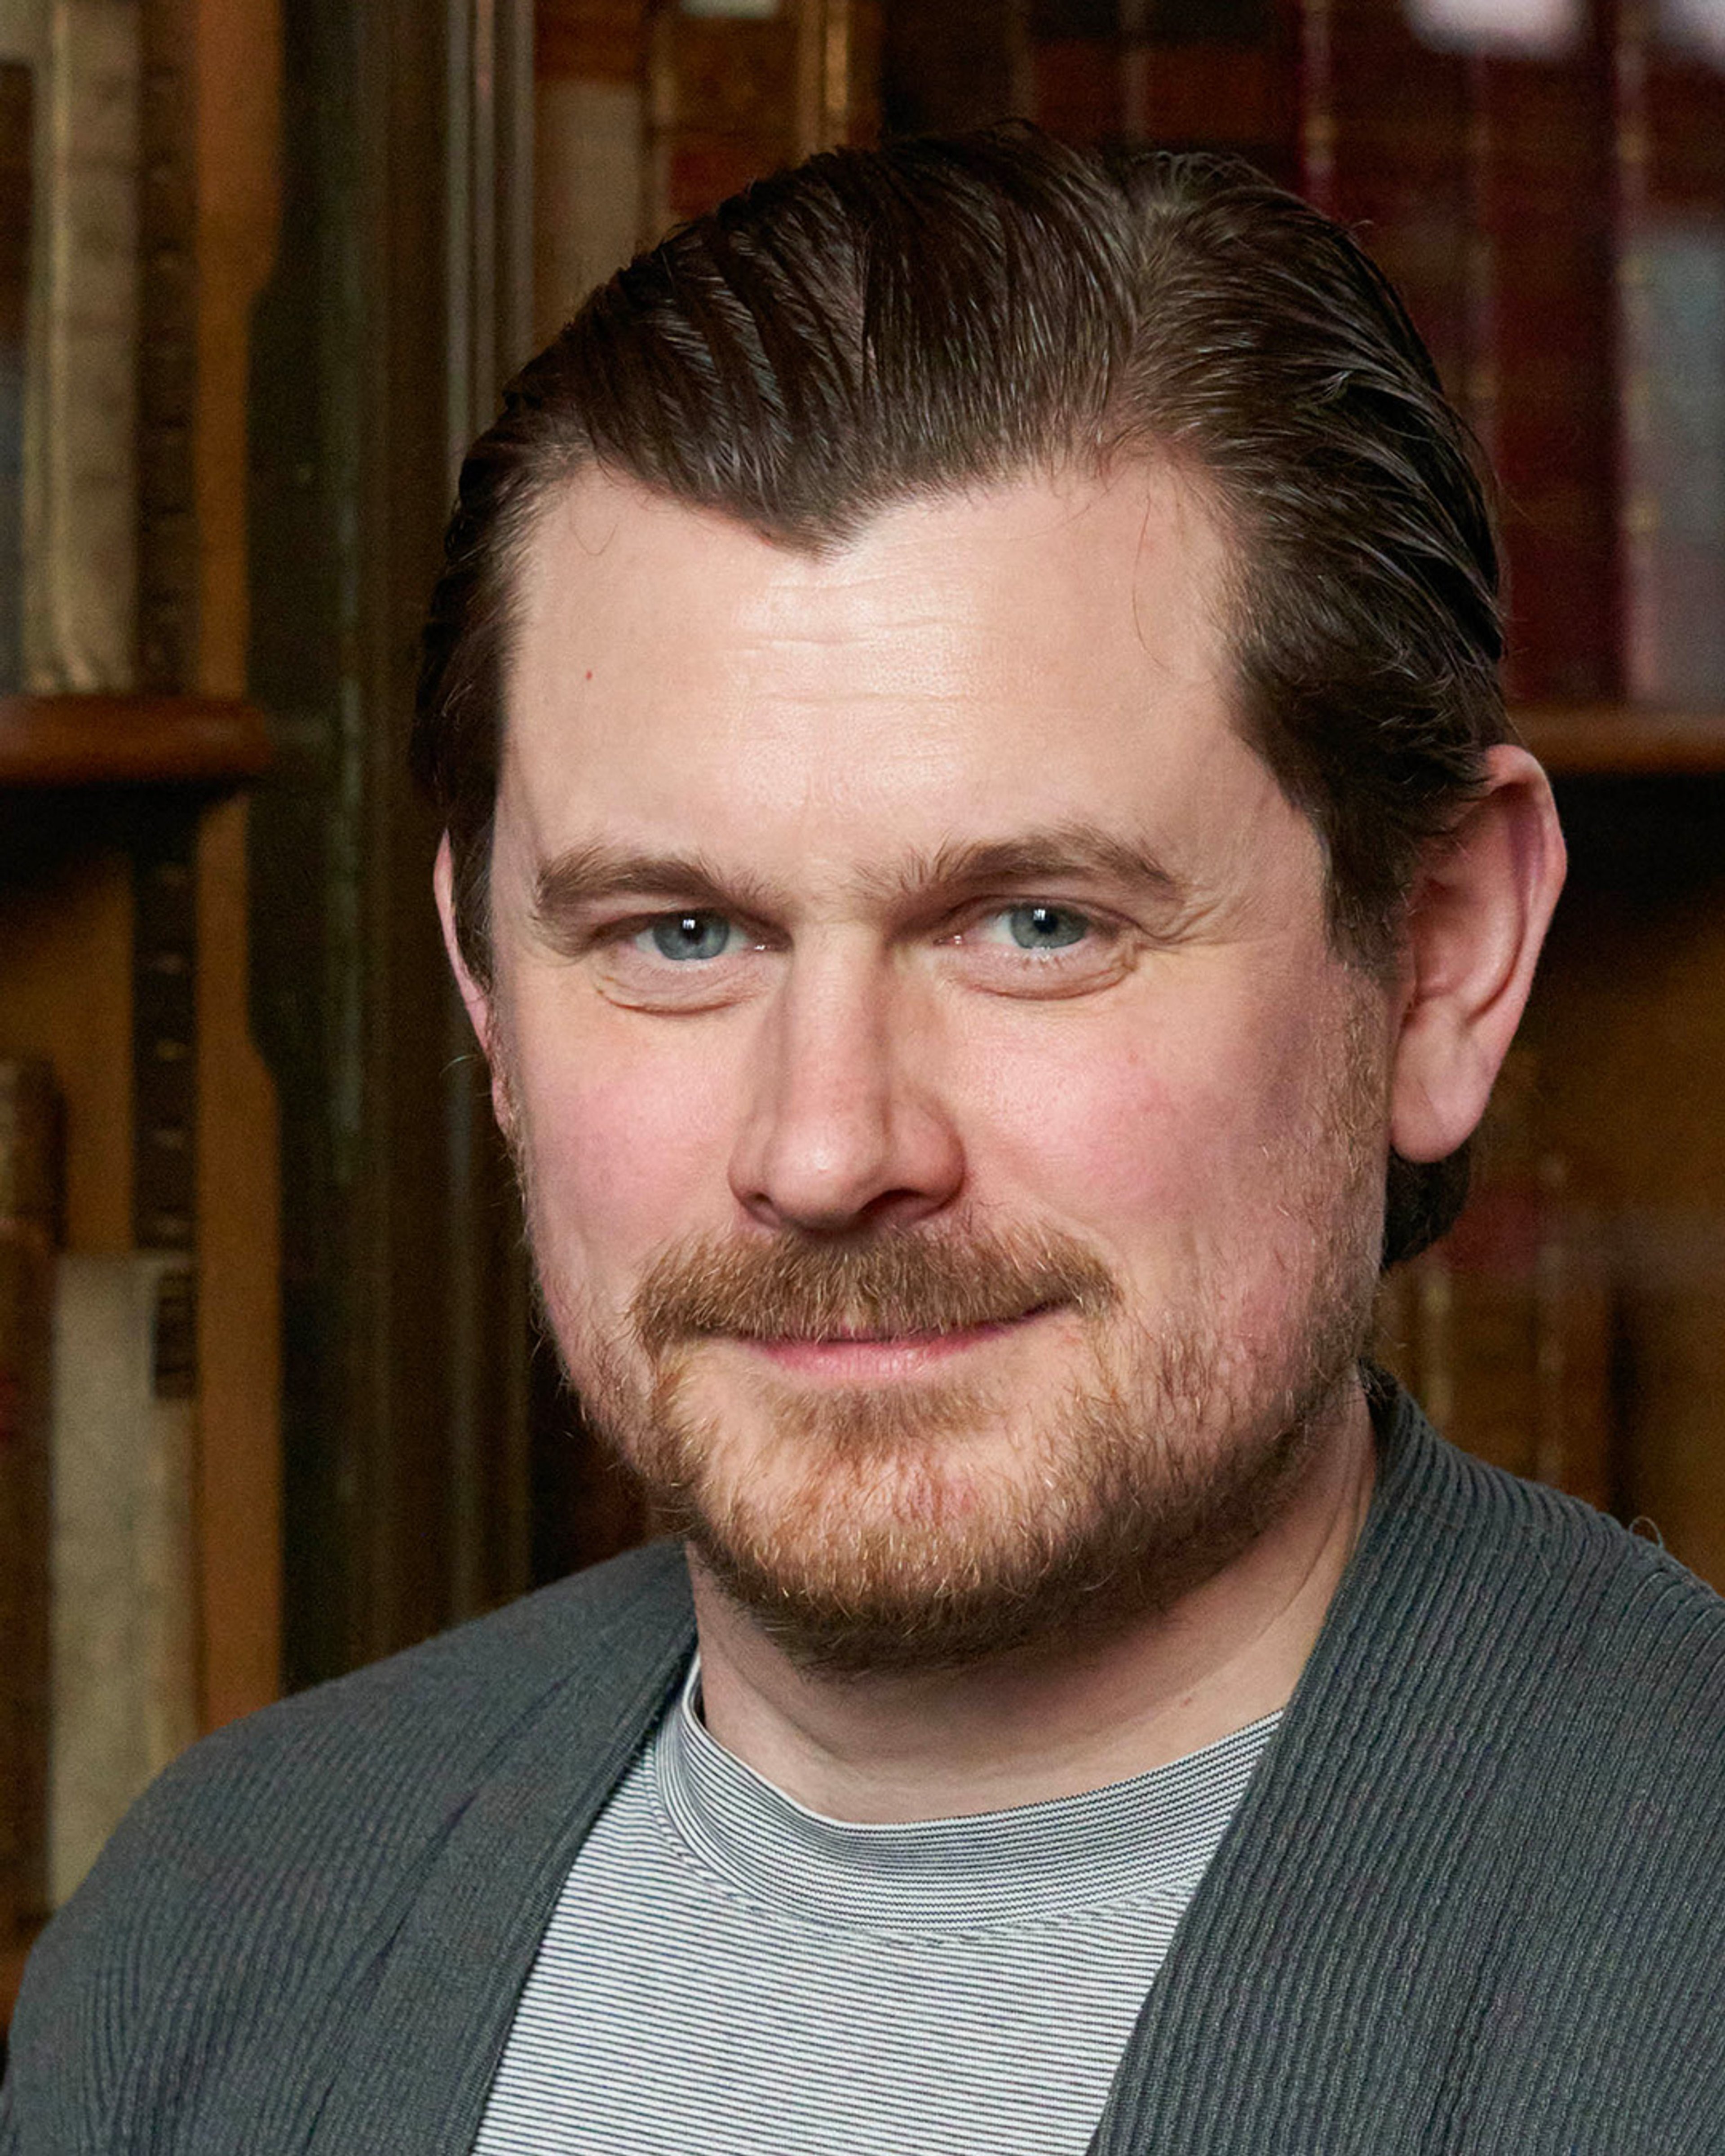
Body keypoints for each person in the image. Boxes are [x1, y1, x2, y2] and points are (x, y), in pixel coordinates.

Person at [6, 123, 1723, 2156]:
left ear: (1437, 962)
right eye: (683, 932)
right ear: (485, 989)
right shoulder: (218, 1932)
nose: (828, 1151)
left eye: (1036, 925)